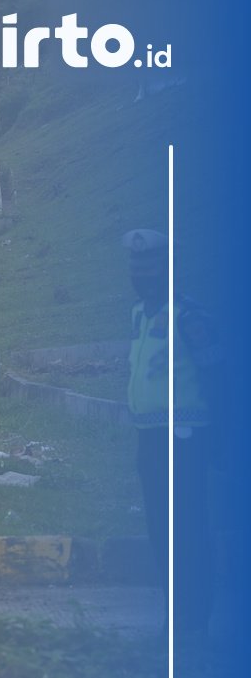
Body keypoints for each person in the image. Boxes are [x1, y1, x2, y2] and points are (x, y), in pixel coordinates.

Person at [124, 228, 220, 633]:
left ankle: (195, 619)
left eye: (152, 269)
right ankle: (174, 617)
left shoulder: (190, 316)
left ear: (169, 270)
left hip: (185, 439)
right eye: (138, 269)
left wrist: (221, 445)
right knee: (160, 530)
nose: (144, 276)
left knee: (191, 529)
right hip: (150, 439)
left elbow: (218, 379)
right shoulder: (139, 315)